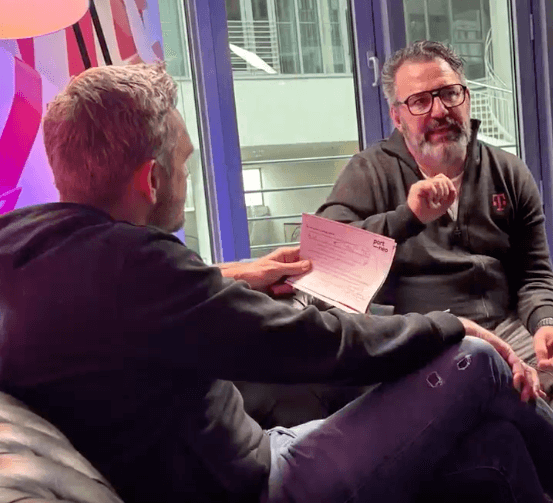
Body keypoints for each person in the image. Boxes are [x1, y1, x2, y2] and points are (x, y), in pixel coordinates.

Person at [0, 62, 553, 503]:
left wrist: (232, 272)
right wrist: (447, 327)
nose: (438, 110)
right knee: (475, 362)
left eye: (449, 94)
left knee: (496, 446)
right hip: (262, 482)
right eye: (186, 164)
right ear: (152, 179)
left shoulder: (23, 243)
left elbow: (136, 303)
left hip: (246, 454)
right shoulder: (137, 266)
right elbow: (312, 342)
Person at [318, 40, 553, 398]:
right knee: (486, 393)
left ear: (466, 98)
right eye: (420, 101)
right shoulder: (369, 173)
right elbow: (326, 256)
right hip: (426, 339)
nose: (440, 110)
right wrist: (407, 217)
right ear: (397, 118)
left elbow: (533, 274)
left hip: (508, 330)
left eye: (449, 94)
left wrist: (544, 322)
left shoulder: (508, 171)